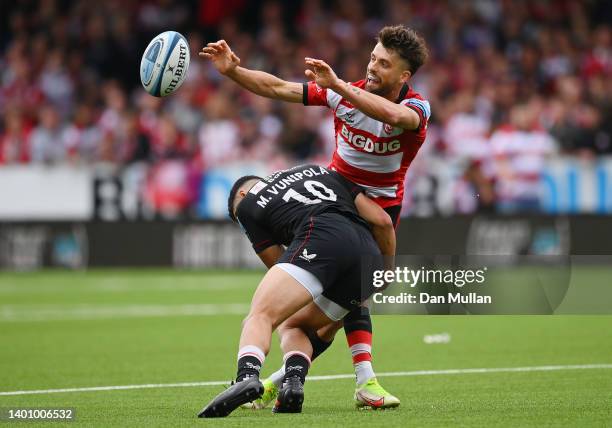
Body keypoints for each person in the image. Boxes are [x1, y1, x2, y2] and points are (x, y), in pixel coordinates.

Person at [200, 24, 429, 408]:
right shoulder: (345, 92)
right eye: (372, 57)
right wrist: (233, 71)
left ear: (403, 76)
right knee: (321, 306)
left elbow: (397, 117)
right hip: (332, 198)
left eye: (384, 64)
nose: (372, 67)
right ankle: (354, 381)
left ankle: (298, 380)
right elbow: (277, 88)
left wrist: (340, 87)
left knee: (348, 303)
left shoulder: (415, 105)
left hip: (380, 209)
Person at [198, 164, 395, 417]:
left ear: (243, 196)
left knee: (261, 315)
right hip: (368, 255)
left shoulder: (248, 204)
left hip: (319, 238)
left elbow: (277, 262)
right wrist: (384, 271)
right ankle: (292, 383)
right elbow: (382, 221)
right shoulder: (320, 170)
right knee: (297, 326)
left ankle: (246, 376)